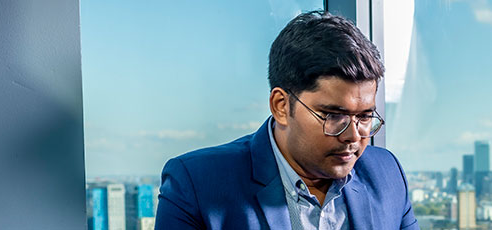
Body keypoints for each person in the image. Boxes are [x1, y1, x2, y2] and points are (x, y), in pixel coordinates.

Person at [155, 10, 419, 230]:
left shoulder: (386, 174)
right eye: (334, 116)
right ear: (281, 106)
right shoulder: (197, 184)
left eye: (364, 117)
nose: (353, 136)